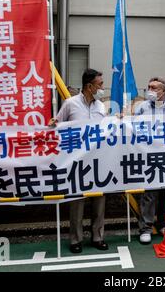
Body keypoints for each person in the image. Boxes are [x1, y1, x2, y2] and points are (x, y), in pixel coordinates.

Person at [49, 68, 109, 253]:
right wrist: (53, 124)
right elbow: (57, 125)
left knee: (99, 200)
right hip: (76, 162)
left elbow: (107, 129)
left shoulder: (101, 106)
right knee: (77, 201)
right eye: (100, 85)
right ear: (89, 86)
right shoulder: (70, 104)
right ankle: (75, 240)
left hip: (98, 159)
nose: (102, 88)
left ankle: (98, 237)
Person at [135, 77, 165, 244]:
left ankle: (162, 224)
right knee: (149, 193)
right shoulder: (142, 108)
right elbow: (133, 128)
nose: (150, 90)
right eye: (149, 87)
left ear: (164, 90)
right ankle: (146, 228)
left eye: (154, 88)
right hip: (149, 155)